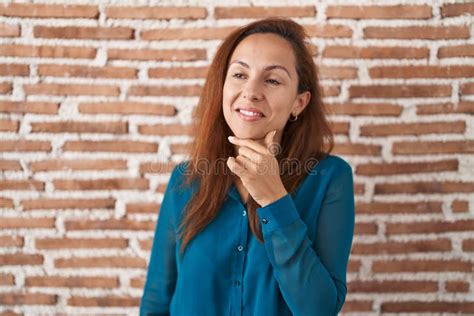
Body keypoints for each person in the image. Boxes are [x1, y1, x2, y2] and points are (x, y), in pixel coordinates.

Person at [140, 17, 355, 316]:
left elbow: (318, 309)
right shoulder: (184, 181)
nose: (251, 91)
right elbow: (156, 301)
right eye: (240, 74)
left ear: (299, 102)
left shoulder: (330, 178)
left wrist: (274, 200)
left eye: (273, 80)